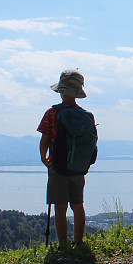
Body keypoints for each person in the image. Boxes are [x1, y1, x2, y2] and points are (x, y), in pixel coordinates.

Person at [37, 69, 90, 247]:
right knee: (78, 204)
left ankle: (63, 244)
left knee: (60, 207)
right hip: (78, 167)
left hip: (58, 167)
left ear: (61, 90)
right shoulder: (85, 115)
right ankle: (78, 242)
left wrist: (45, 159)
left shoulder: (52, 113)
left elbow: (44, 141)